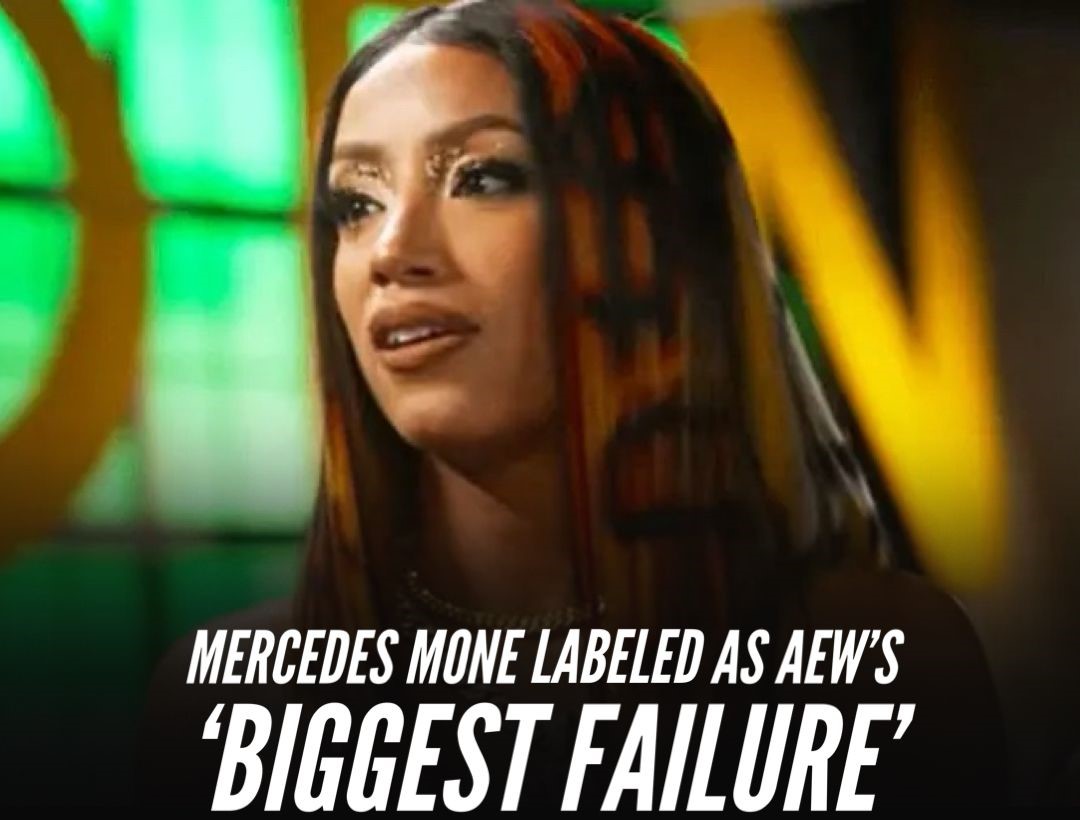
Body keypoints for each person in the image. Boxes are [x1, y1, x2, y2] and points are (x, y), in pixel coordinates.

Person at [141, 0, 1007, 810]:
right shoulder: (228, 705)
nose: (391, 251)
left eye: (483, 177)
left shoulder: (882, 667)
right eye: (355, 203)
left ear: (661, 241)